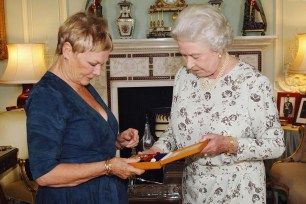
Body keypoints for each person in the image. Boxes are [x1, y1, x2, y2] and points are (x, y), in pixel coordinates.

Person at [143, 4, 285, 204]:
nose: (189, 64)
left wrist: (229, 144)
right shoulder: (184, 77)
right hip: (195, 191)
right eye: (183, 55)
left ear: (218, 47)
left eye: (195, 56)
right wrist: (156, 150)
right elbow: (175, 130)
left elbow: (276, 145)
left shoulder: (253, 83)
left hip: (239, 192)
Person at [26, 12, 144, 204]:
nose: (97, 72)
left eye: (101, 65)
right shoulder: (45, 96)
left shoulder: (82, 84)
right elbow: (45, 174)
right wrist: (108, 167)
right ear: (67, 50)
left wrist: (116, 141)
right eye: (92, 64)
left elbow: (77, 143)